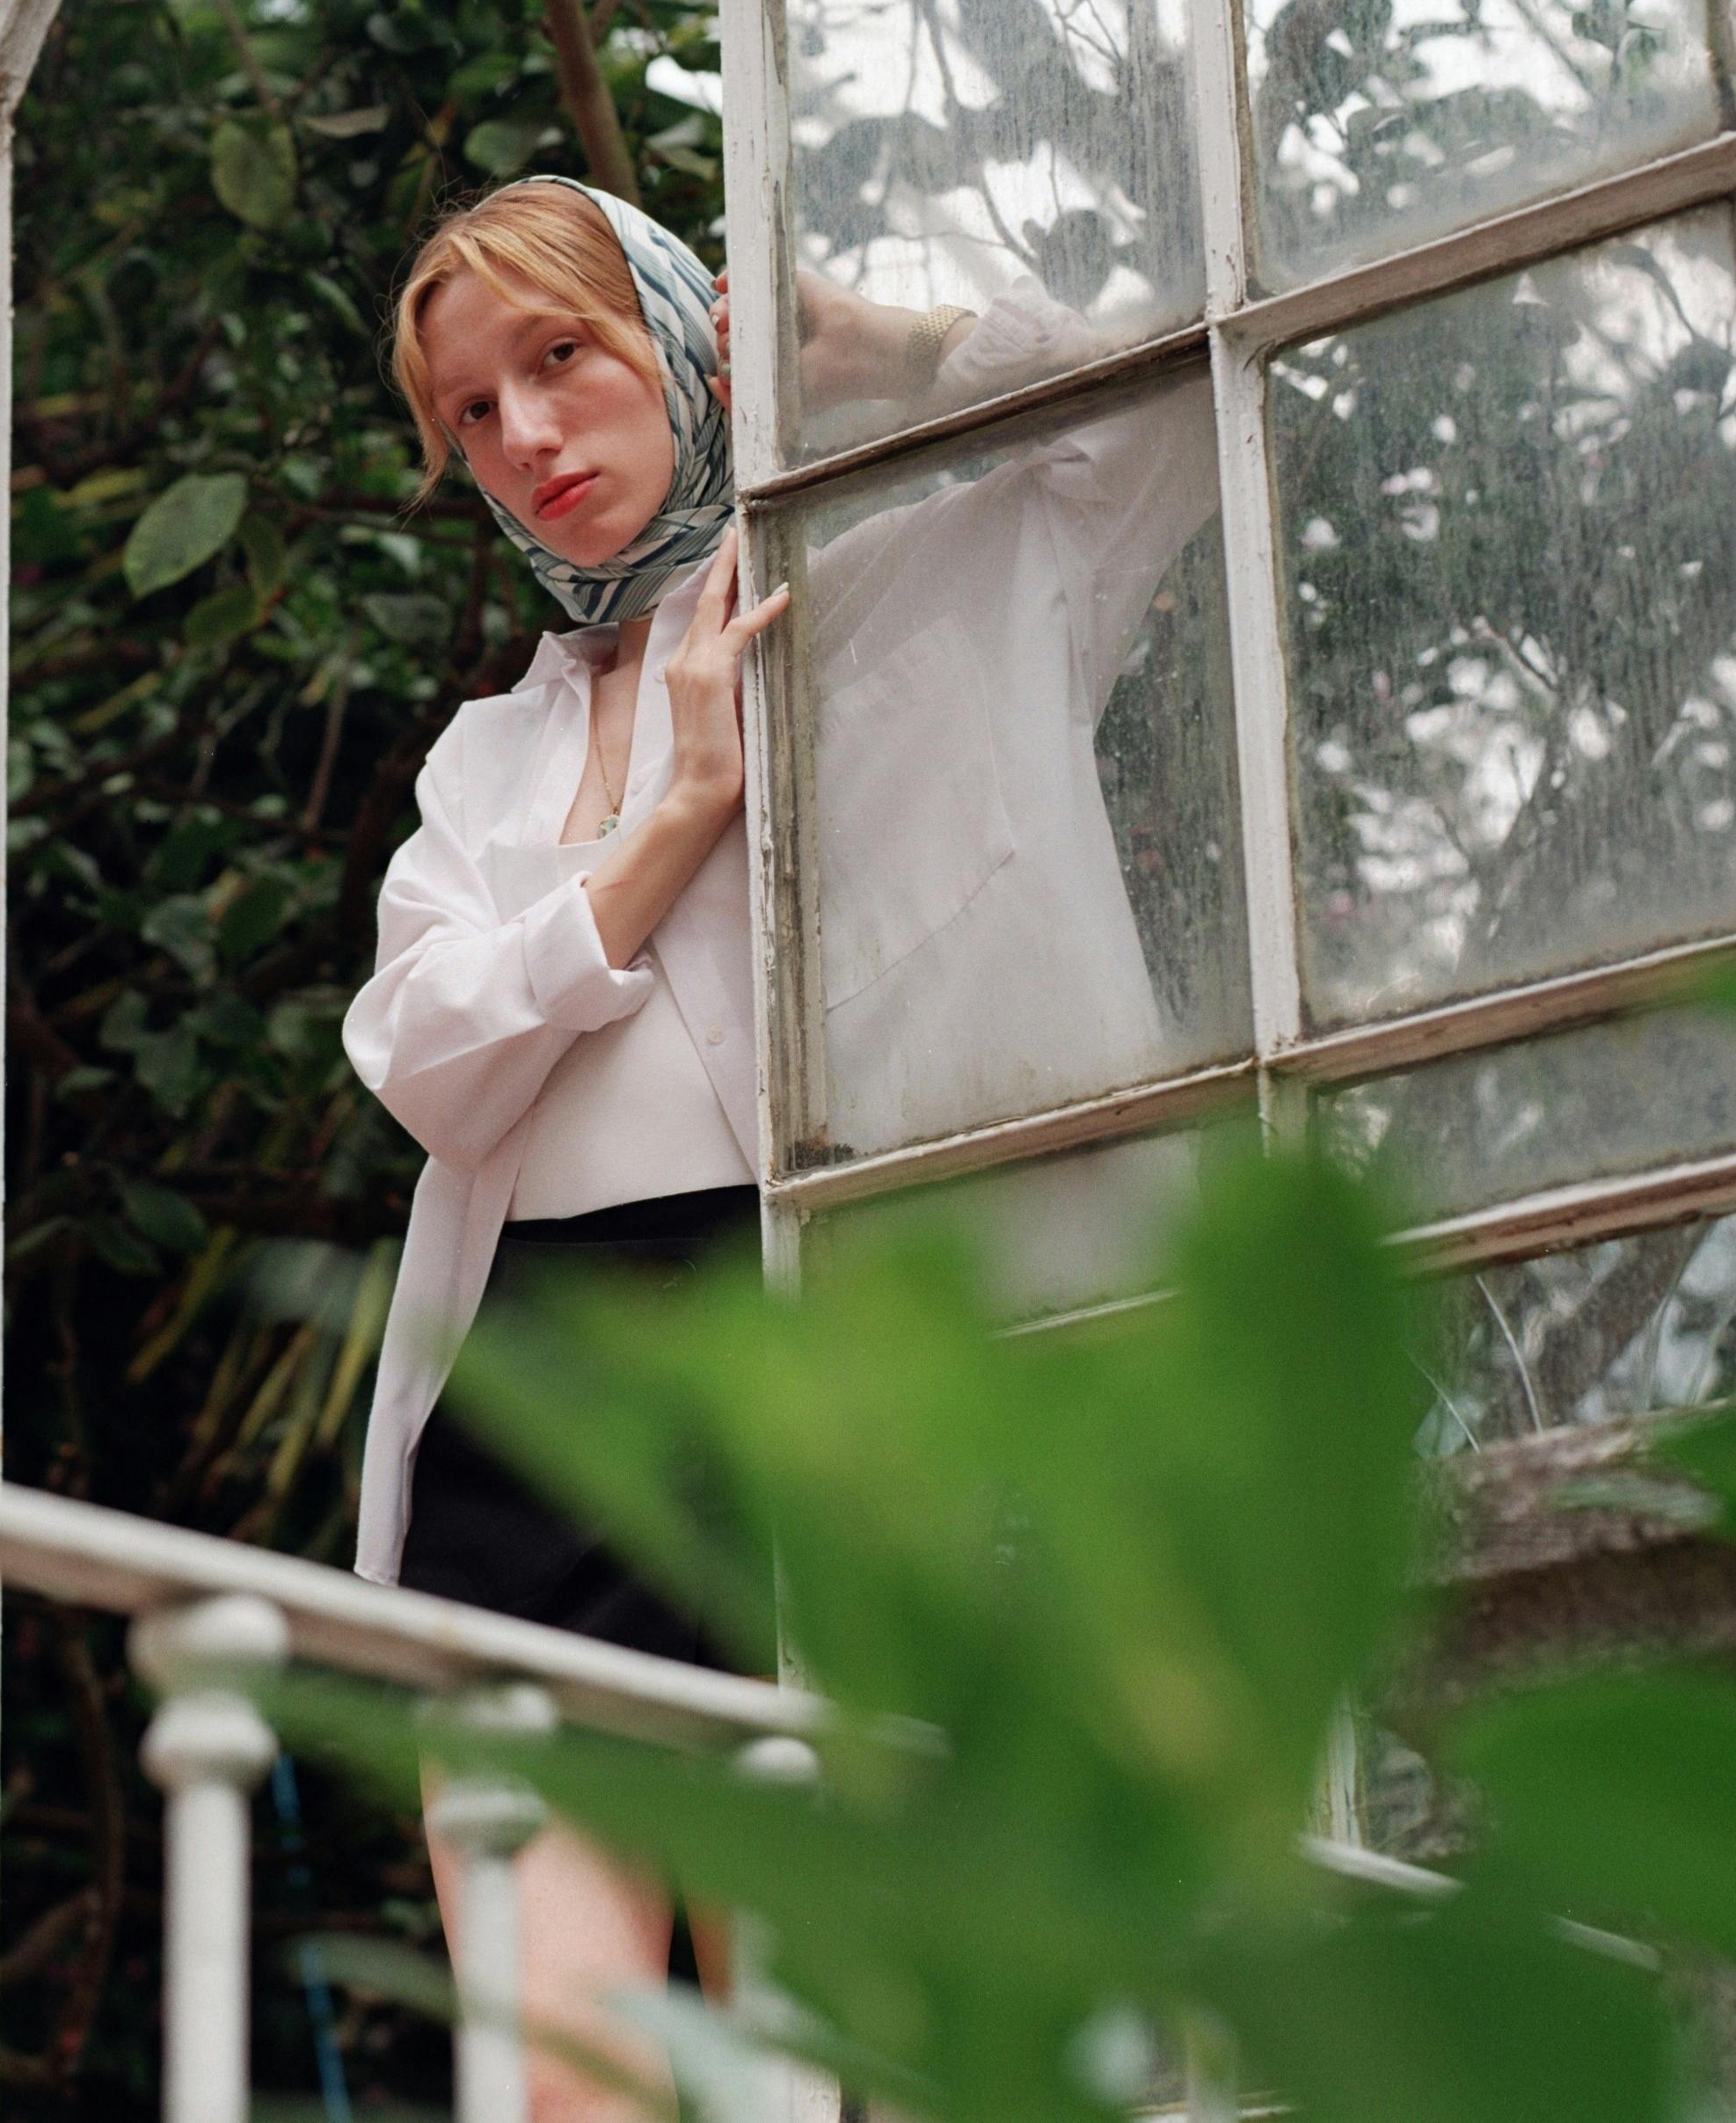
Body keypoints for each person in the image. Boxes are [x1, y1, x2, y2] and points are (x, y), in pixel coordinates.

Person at [344, 175, 1213, 2120]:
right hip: (530, 1431)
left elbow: (1175, 409)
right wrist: (671, 827)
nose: (523, 441)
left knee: (820, 2068)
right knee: (567, 2092)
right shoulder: (489, 754)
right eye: (469, 416)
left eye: (557, 358)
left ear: (683, 331)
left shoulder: (913, 572)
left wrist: (875, 346)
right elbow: (419, 1058)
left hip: (813, 1376)